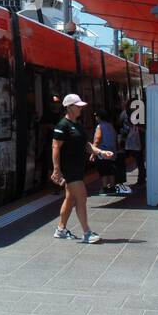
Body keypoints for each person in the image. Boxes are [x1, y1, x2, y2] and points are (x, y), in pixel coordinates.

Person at [52, 93, 115, 244]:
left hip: (78, 168)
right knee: (81, 197)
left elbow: (86, 145)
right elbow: (55, 147)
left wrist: (100, 152)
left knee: (70, 198)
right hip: (70, 169)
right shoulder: (62, 126)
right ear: (69, 107)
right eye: (78, 106)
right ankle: (86, 232)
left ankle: (61, 229)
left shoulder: (77, 125)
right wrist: (56, 169)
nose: (81, 108)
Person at [94, 110, 119, 195]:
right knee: (110, 170)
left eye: (96, 116)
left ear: (99, 117)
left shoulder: (99, 126)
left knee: (103, 170)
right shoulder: (111, 126)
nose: (95, 118)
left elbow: (97, 139)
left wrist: (93, 150)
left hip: (103, 152)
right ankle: (112, 187)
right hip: (112, 152)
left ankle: (105, 188)